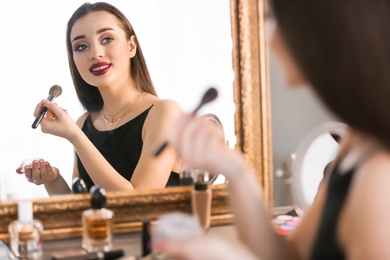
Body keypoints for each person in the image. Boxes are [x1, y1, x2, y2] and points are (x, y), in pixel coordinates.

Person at [152, 1, 390, 259]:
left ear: (325, 31)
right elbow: (289, 253)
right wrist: (236, 170)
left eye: (279, 22)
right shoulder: (357, 142)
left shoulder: (380, 173)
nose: (271, 39)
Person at [16, 2, 182, 195]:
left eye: (106, 39)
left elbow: (136, 204)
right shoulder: (84, 124)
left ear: (131, 46)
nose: (95, 54)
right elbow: (82, 211)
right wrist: (52, 180)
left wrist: (75, 136)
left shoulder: (165, 112)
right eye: (82, 46)